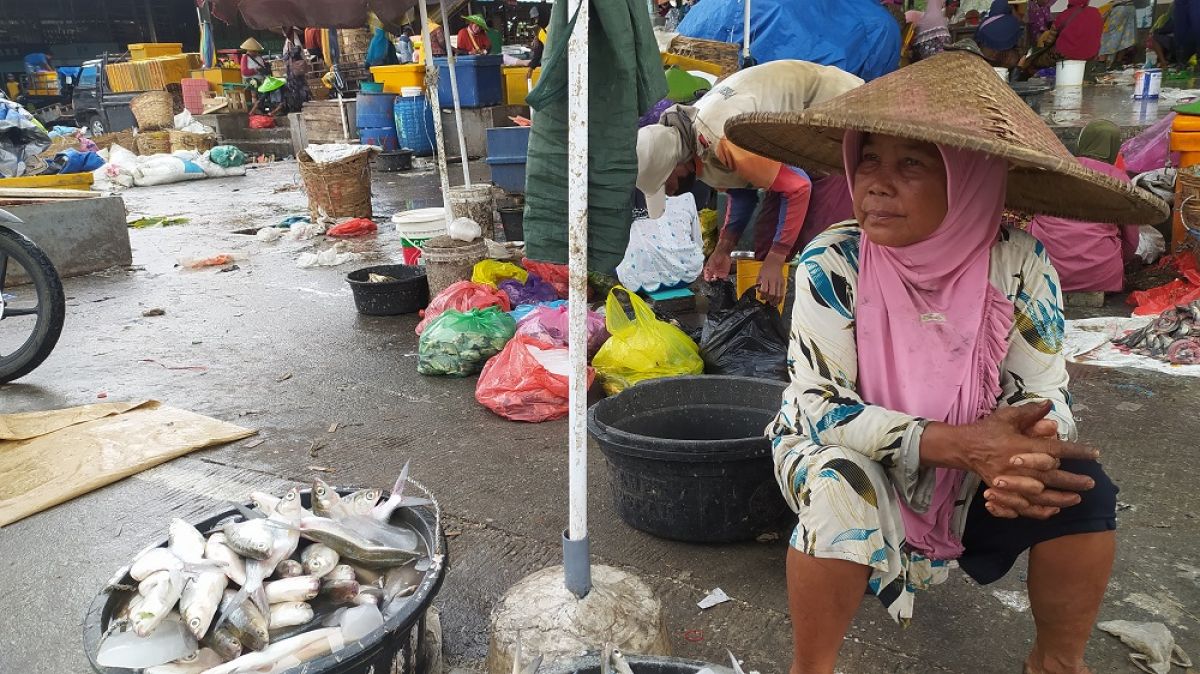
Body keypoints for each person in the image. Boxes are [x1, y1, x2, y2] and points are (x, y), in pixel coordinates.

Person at [722, 48, 1166, 674]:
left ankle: (1057, 663)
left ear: (970, 177)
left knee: (1083, 493)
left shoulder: (1020, 261)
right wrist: (959, 444)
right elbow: (821, 410)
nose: (875, 181)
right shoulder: (833, 261)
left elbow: (1043, 387)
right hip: (846, 447)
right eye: (867, 157)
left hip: (979, 461)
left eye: (911, 164)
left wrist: (1029, 450)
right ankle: (811, 666)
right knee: (838, 490)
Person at [635, 61, 864, 305]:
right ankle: (774, 328)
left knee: (818, 249)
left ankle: (825, 327)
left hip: (835, 118)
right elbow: (742, 191)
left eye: (664, 185)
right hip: (797, 142)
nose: (670, 191)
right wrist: (724, 248)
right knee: (765, 244)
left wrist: (778, 257)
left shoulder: (718, 137)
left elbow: (798, 186)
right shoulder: (694, 136)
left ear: (673, 165)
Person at [1028, 121, 1140, 294]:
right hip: (1102, 278)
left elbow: (1035, 215)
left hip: (1045, 271)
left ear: (1082, 142)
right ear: (1113, 149)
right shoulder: (1120, 180)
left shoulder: (1056, 169)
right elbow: (1131, 240)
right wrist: (1121, 259)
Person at [975, 0, 1025, 67]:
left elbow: (977, 38)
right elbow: (1020, 33)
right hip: (1006, 58)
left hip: (987, 59)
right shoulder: (1012, 21)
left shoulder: (984, 22)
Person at [1098, 0, 1138, 68]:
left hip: (1119, 8)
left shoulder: (1104, 8)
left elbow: (1100, 22)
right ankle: (1117, 64)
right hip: (1131, 7)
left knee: (1108, 35)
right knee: (1125, 37)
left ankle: (1101, 64)